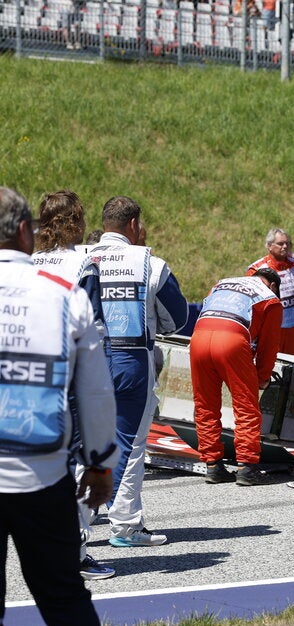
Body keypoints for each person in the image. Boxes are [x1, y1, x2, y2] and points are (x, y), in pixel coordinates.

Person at [0, 186, 119, 626]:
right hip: (41, 473)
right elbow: (95, 393)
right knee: (65, 598)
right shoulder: (66, 295)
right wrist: (100, 464)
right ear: (26, 233)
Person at [88, 196, 188, 547]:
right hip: (131, 359)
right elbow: (177, 320)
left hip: (87, 361)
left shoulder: (80, 259)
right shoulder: (150, 262)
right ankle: (126, 526)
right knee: (129, 445)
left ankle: (79, 525)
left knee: (86, 443)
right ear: (134, 225)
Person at [31, 190, 115, 580]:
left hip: (30, 375)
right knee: (86, 462)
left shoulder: (27, 261)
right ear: (75, 222)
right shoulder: (84, 260)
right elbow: (95, 325)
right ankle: (75, 551)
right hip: (71, 372)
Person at [190, 269, 283, 486]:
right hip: (231, 340)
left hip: (198, 339)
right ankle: (246, 468)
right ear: (273, 286)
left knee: (205, 404)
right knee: (246, 406)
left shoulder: (222, 283)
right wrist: (262, 377)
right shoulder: (270, 298)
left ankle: (212, 466)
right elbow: (269, 345)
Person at [247, 228, 294, 356]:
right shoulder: (257, 269)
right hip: (269, 329)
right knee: (269, 365)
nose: (285, 246)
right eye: (281, 243)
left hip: (292, 327)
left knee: (290, 367)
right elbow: (250, 302)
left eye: (288, 243)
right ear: (269, 246)